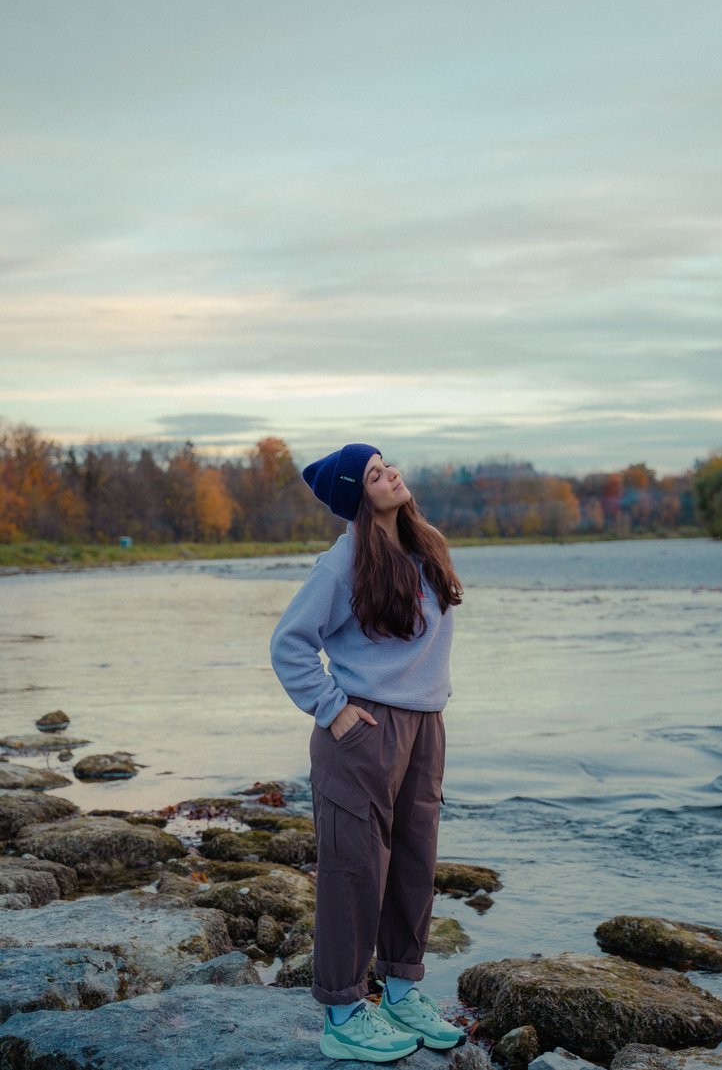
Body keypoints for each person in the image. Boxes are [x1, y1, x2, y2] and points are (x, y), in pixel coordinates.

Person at [269, 442, 466, 1063]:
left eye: (389, 465)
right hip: (362, 733)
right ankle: (344, 1011)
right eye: (375, 474)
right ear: (359, 495)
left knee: (414, 859)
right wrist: (333, 709)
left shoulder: (424, 542)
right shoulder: (342, 562)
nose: (391, 475)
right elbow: (289, 643)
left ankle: (403, 992)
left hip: (425, 726)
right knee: (355, 867)